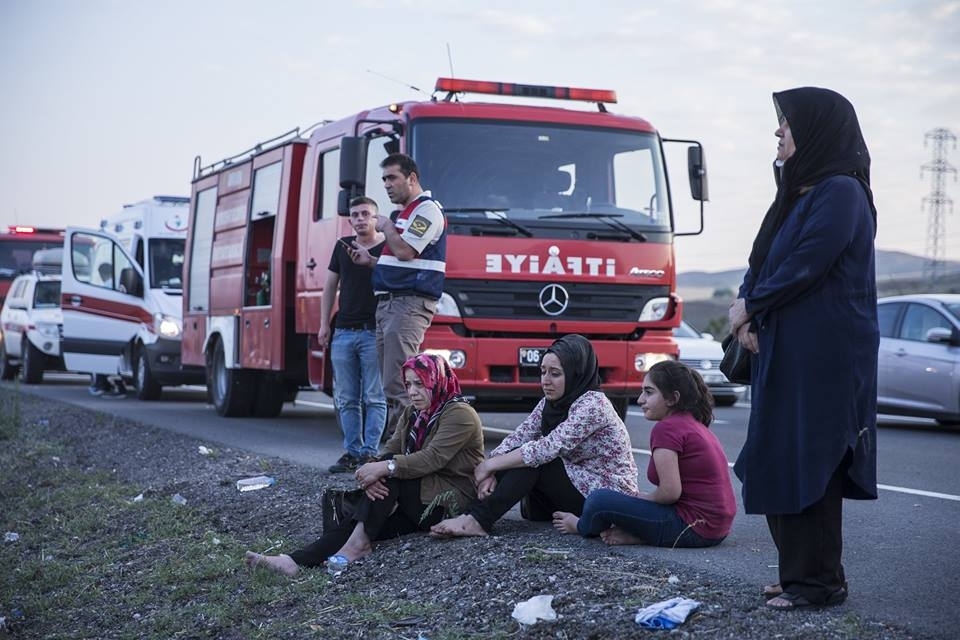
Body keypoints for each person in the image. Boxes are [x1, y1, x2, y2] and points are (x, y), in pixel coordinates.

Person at [728, 87, 879, 611]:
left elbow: (807, 263)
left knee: (812, 463)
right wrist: (747, 311)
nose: (778, 131)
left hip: (824, 357)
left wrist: (751, 307)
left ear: (816, 131)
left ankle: (818, 583)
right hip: (786, 350)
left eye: (788, 122)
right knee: (776, 459)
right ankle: (799, 574)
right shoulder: (798, 194)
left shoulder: (842, 191)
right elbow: (762, 262)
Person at [244, 353, 483, 576]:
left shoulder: (460, 414)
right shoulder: (414, 412)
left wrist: (385, 469)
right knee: (360, 523)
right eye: (408, 384)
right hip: (418, 496)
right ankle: (294, 561)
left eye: (419, 384)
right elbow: (390, 450)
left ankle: (356, 546)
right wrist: (371, 472)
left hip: (448, 502)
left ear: (437, 380)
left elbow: (432, 458)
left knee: (387, 481)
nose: (412, 392)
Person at [430, 334, 639, 538]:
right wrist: (491, 468)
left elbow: (546, 448)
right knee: (520, 454)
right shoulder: (551, 402)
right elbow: (520, 436)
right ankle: (469, 515)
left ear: (576, 374)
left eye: (555, 374)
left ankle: (477, 521)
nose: (545, 381)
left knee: (534, 461)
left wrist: (489, 466)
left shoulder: (594, 405)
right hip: (579, 484)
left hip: (608, 498)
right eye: (542, 372)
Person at [552, 360, 736, 548]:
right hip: (717, 529)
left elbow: (670, 493)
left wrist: (644, 498)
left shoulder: (667, 428)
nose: (640, 399)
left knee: (599, 500)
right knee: (625, 498)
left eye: (649, 392)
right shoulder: (694, 424)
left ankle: (580, 526)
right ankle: (640, 536)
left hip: (692, 528)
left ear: (672, 398)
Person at [348, 153, 447, 441]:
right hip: (393, 304)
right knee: (394, 383)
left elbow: (405, 252)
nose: (387, 185)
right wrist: (371, 262)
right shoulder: (406, 214)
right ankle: (400, 446)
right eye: (384, 179)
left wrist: (387, 227)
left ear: (412, 178)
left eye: (392, 178)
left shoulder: (426, 211)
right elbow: (400, 261)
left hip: (408, 304)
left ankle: (407, 448)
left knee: (403, 383)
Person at [319, 196, 388, 473]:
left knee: (374, 396)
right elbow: (329, 287)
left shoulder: (388, 247)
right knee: (346, 397)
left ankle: (370, 454)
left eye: (365, 214)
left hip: (374, 332)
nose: (360, 219)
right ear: (350, 220)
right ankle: (352, 452)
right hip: (344, 332)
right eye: (355, 215)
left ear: (375, 218)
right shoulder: (342, 246)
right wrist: (324, 325)